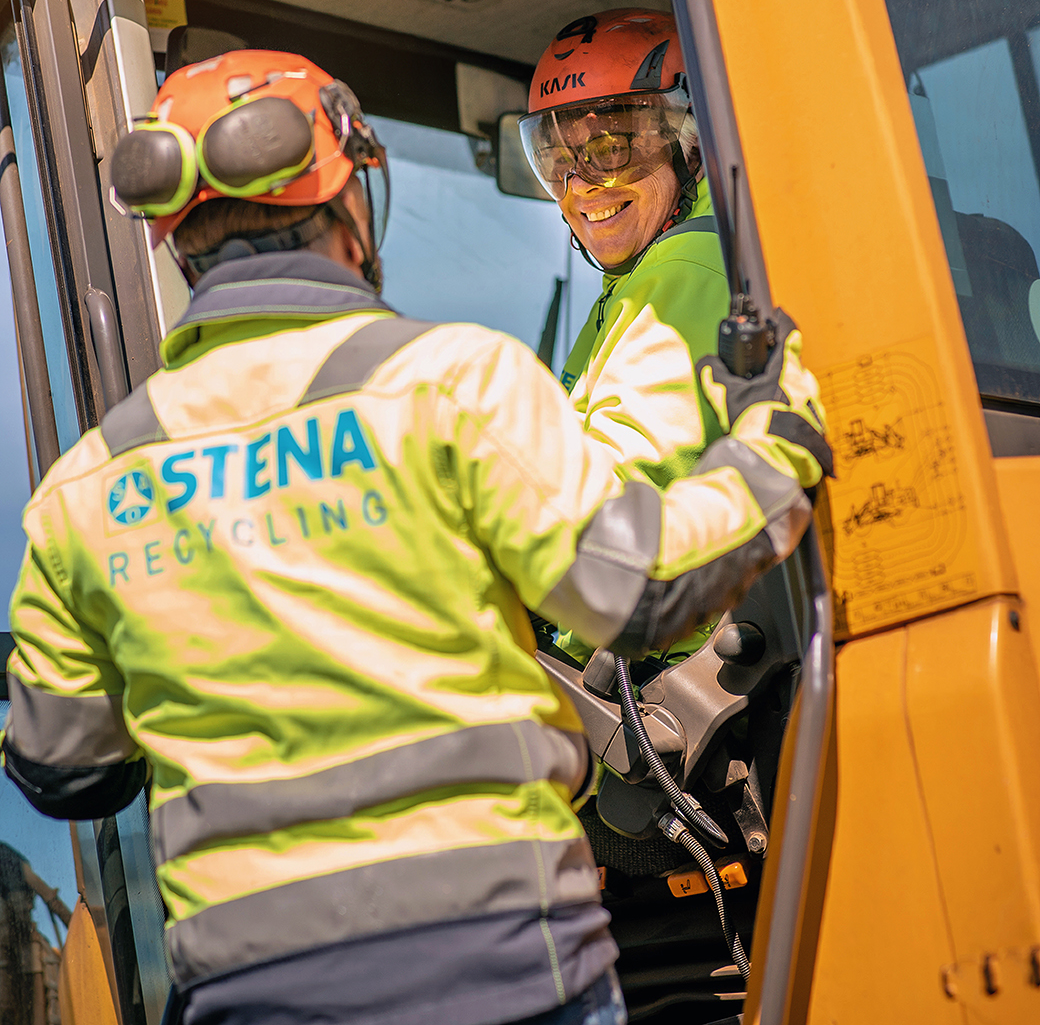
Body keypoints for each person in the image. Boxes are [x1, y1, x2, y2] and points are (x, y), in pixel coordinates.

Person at [1, 50, 830, 1025]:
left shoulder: (85, 492)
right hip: (500, 964)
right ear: (353, 205)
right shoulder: (453, 387)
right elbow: (642, 591)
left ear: (176, 242)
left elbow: (66, 769)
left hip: (251, 990)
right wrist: (771, 448)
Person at [520, 9, 731, 664]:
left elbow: (614, 531)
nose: (582, 184)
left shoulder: (688, 265)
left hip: (655, 676)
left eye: (611, 147)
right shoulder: (639, 277)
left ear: (688, 140)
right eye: (557, 158)